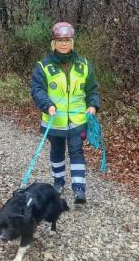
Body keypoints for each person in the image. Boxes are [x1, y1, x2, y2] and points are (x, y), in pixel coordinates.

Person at [30, 22, 100, 204]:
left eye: (67, 40)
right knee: (57, 151)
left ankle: (79, 189)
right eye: (60, 40)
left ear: (72, 42)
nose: (63, 44)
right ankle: (58, 182)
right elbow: (37, 90)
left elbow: (93, 90)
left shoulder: (84, 65)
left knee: (77, 151)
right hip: (55, 120)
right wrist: (47, 104)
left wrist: (93, 105)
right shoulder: (43, 66)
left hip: (78, 120)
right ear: (54, 43)